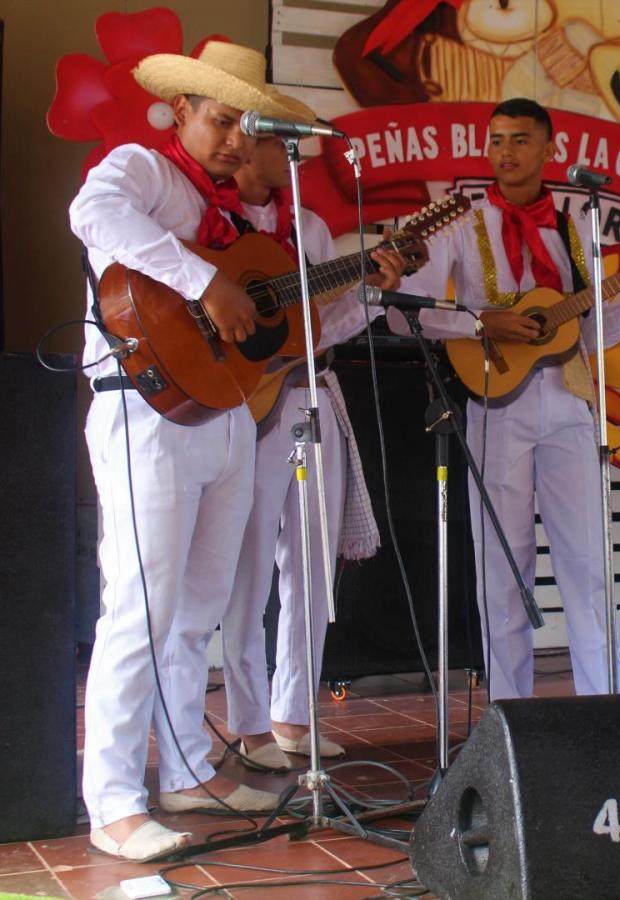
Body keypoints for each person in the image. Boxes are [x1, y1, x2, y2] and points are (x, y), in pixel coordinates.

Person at [70, 42, 298, 862]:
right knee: (140, 606)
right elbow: (92, 217)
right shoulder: (140, 167)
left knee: (198, 603)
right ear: (180, 112)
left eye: (247, 125)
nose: (236, 139)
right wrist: (204, 281)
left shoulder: (240, 212)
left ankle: (187, 771)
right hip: (148, 416)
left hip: (228, 413)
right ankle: (116, 801)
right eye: (221, 119)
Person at [388, 97, 620, 700]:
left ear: (551, 151)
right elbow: (400, 312)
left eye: (519, 140)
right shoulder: (458, 224)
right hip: (496, 403)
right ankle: (509, 715)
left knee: (588, 564)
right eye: (496, 141)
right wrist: (478, 324)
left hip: (569, 401)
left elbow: (590, 330)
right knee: (503, 567)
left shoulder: (574, 230)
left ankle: (605, 707)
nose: (505, 153)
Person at [219, 95, 411, 771]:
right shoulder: (215, 224)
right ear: (252, 146)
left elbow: (319, 330)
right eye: (281, 140)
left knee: (311, 569)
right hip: (244, 407)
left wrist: (371, 292)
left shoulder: (309, 229)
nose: (293, 153)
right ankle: (246, 722)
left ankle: (293, 715)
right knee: (246, 571)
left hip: (311, 394)